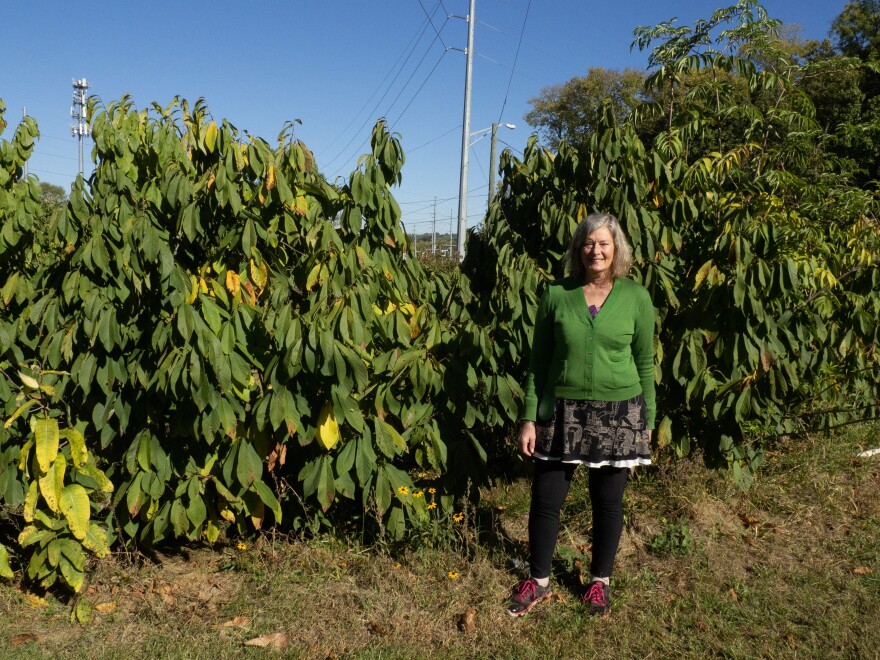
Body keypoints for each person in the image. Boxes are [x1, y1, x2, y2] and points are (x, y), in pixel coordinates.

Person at [506, 212, 656, 618]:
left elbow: (645, 363)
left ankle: (599, 583)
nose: (596, 250)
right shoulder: (556, 294)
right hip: (559, 412)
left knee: (608, 501)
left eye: (604, 243)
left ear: (617, 249)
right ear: (578, 249)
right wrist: (528, 416)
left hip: (620, 413)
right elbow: (539, 361)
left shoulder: (637, 298)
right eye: (589, 243)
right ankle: (538, 581)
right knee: (545, 498)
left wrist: (648, 421)